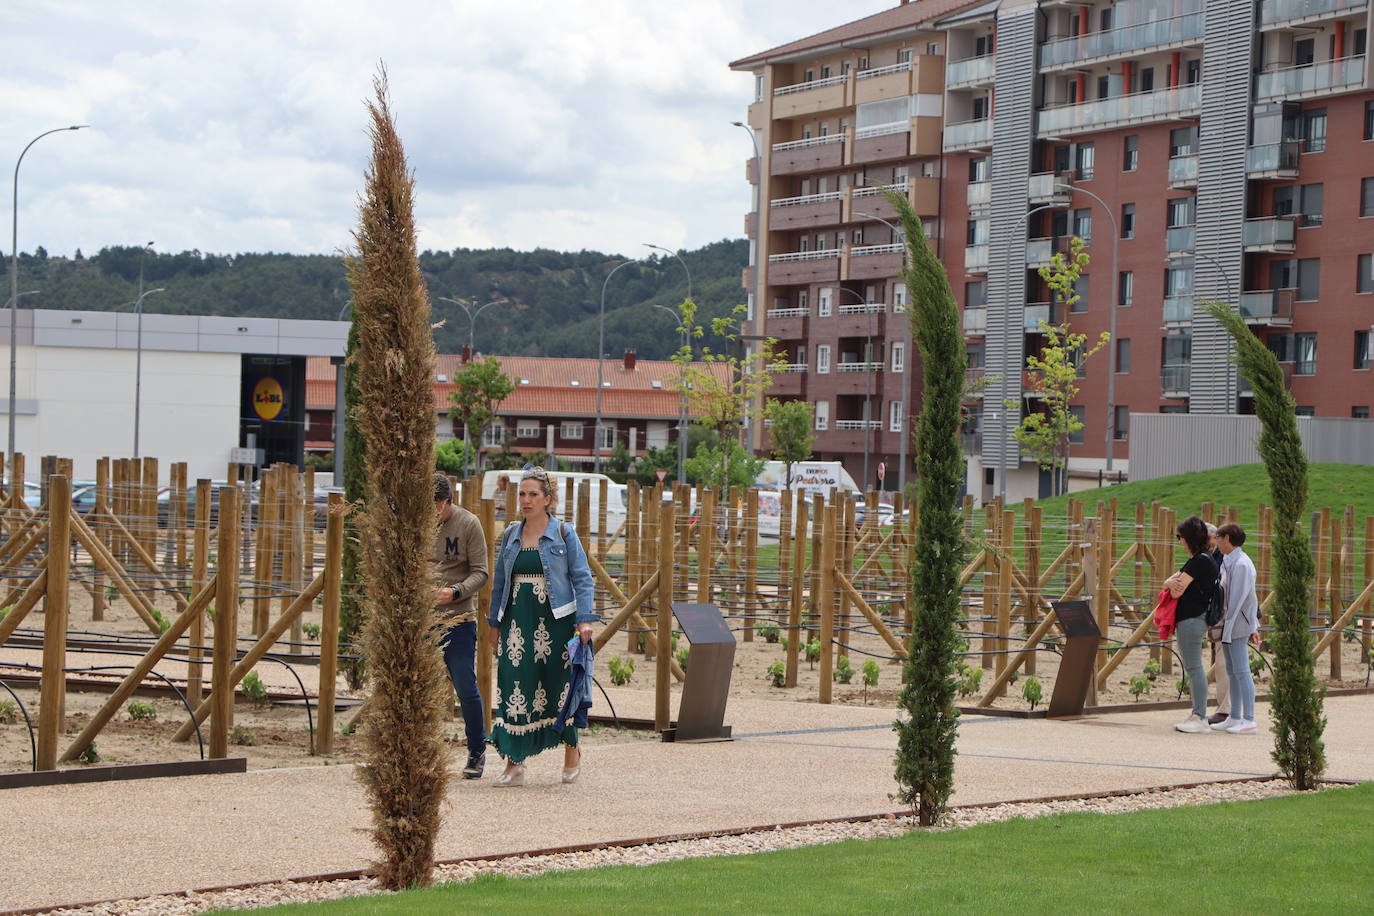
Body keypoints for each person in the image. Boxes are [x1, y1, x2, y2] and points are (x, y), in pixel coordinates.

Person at [486, 467, 596, 786]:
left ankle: (572, 750)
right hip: (517, 623)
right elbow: (499, 584)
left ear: (547, 499)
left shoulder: (563, 532)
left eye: (533, 494)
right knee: (515, 686)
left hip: (557, 621)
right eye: (522, 493)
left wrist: (585, 619)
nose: (526, 500)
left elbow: (582, 577)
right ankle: (514, 762)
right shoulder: (509, 535)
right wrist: (494, 625)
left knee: (560, 687)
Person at [432, 472, 490, 779]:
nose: (430, 515)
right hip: (422, 619)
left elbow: (481, 573)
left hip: (459, 619)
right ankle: (422, 750)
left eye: (433, 508)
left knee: (465, 687)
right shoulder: (417, 524)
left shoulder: (468, 524)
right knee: (416, 687)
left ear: (445, 502)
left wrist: (454, 592)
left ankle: (477, 750)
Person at [1166, 515, 1220, 734]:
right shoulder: (1203, 559)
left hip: (1192, 618)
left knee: (1194, 667)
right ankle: (1197, 713)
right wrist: (1171, 583)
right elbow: (1172, 582)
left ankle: (1199, 715)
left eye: (1180, 537)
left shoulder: (1199, 561)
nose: (1180, 541)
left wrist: (1171, 584)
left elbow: (1175, 588)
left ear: (1188, 538)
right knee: (1194, 666)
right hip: (1195, 618)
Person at [1213, 523, 1260, 734]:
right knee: (1232, 671)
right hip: (1229, 622)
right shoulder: (1229, 562)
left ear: (1228, 539)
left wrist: (1232, 624)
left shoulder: (1241, 564)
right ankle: (1235, 716)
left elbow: (1239, 598)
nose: (1216, 542)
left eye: (1219, 538)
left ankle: (1249, 718)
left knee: (1242, 671)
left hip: (1237, 623)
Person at [1204, 523, 1232, 726]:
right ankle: (1228, 709)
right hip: (1221, 615)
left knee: (1224, 664)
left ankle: (1226, 710)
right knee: (1224, 663)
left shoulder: (1223, 560)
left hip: (1227, 616)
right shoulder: (1213, 557)